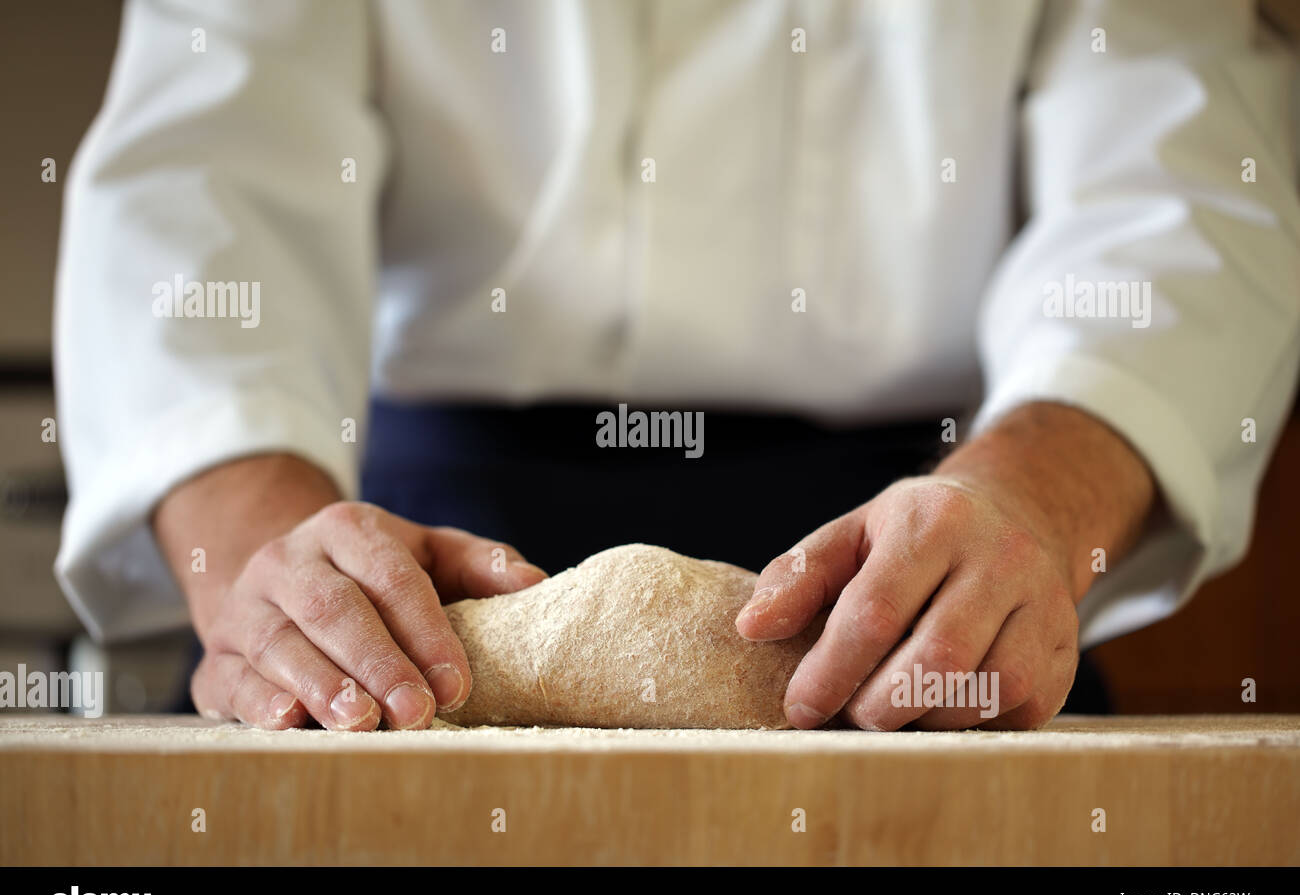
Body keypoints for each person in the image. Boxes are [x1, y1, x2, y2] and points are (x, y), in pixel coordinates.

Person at [54, 0, 1299, 732]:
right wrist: (273, 558)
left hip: (905, 573)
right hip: (424, 579)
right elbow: (201, 177)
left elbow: (1178, 192)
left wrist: (1038, 496)